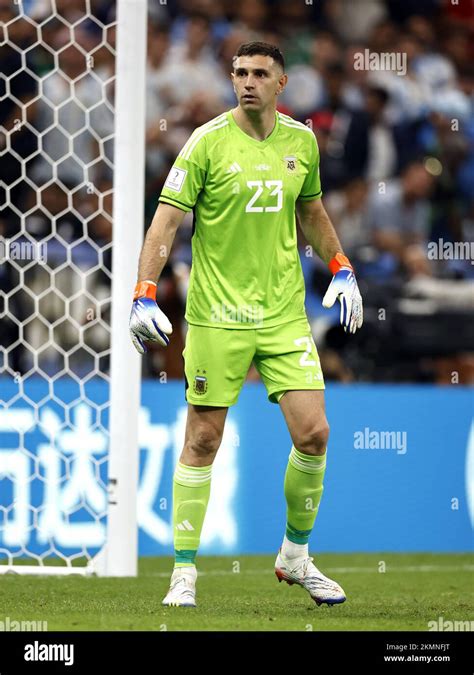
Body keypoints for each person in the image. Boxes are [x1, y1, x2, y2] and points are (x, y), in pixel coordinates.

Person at [129, 42, 363, 608]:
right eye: (240, 72)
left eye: (260, 73)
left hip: (283, 314)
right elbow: (166, 221)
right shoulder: (207, 141)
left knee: (315, 433)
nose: (248, 82)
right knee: (203, 439)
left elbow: (311, 211)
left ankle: (294, 556)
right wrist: (143, 292)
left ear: (281, 83)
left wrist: (342, 266)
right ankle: (183, 573)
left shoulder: (301, 142)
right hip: (217, 315)